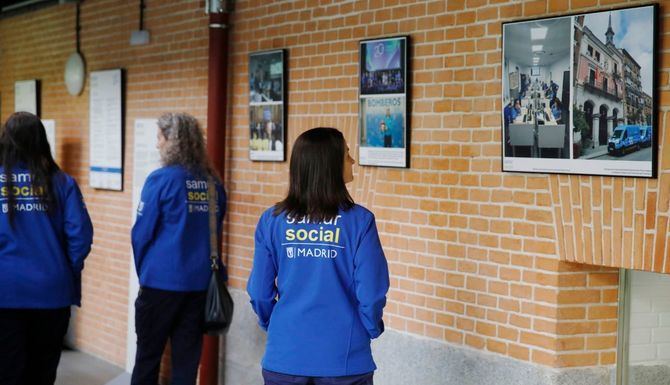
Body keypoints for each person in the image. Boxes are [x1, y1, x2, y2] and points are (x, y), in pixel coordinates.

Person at [248, 127, 389, 385]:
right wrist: (369, 328)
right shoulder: (360, 222)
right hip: (343, 360)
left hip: (285, 356)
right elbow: (371, 291)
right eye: (347, 154)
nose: (353, 161)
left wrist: (276, 325)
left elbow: (259, 291)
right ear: (330, 164)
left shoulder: (272, 220)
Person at [131, 112, 226, 385]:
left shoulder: (161, 180)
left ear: (172, 141)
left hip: (160, 285)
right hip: (198, 287)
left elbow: (141, 235)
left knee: (147, 359)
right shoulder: (213, 184)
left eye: (160, 138)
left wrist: (145, 274)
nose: (157, 144)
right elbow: (215, 232)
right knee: (186, 365)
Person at [0, 112, 93, 385]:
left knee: (7, 371)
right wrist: (64, 269)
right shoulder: (62, 182)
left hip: (5, 292)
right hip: (51, 292)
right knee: (42, 371)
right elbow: (81, 236)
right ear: (42, 142)